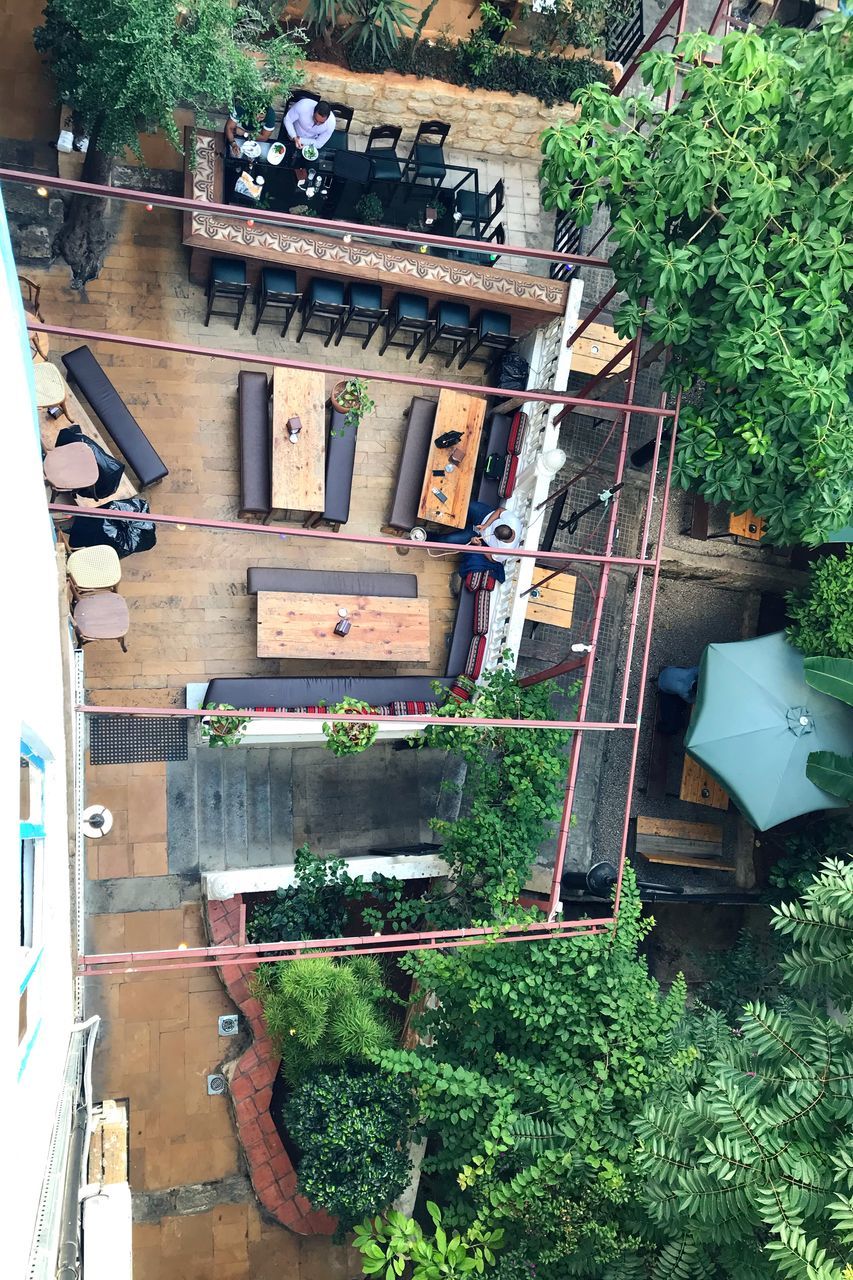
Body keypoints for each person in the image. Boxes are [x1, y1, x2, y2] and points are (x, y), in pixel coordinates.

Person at [438, 500, 523, 564]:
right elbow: (500, 510)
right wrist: (486, 525)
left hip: (477, 534)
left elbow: (492, 559)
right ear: (510, 528)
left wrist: (479, 545)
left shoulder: (504, 552)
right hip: (484, 516)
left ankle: (425, 537)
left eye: (494, 534)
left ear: (501, 540)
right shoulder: (513, 521)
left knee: (448, 540)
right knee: (462, 504)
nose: (492, 531)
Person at [281, 97, 336, 176]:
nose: (317, 124)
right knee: (284, 165)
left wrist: (301, 141)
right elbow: (287, 119)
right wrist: (293, 136)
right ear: (313, 111)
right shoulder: (303, 106)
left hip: (309, 145)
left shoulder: (331, 123)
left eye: (321, 123)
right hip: (290, 135)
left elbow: (319, 143)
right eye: (315, 119)